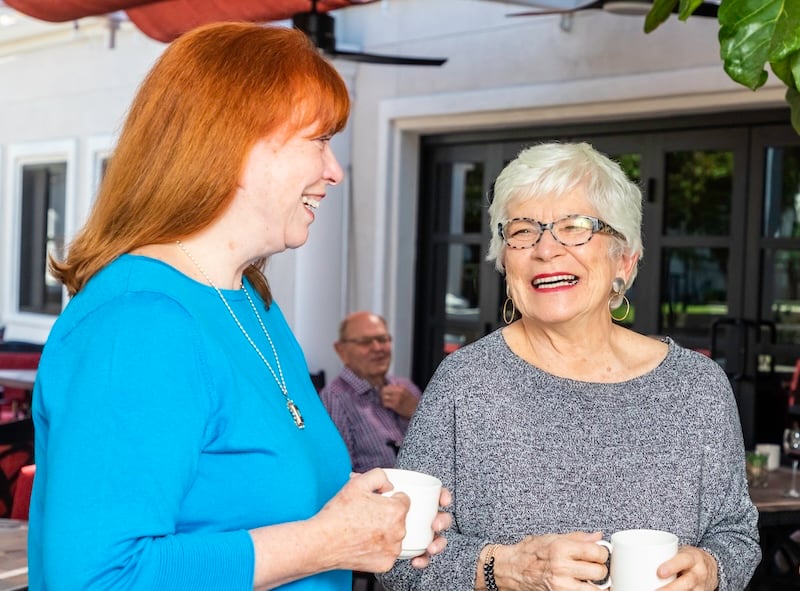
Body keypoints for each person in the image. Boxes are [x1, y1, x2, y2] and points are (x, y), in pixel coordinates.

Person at [28, 23, 451, 591]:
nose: (334, 171)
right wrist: (328, 542)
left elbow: (253, 501)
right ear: (234, 145)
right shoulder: (138, 324)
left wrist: (370, 516)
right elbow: (94, 577)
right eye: (318, 141)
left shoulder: (251, 302)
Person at [379, 142, 760, 591]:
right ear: (505, 260)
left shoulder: (698, 388)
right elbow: (398, 557)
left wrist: (711, 569)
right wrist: (506, 568)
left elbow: (738, 534)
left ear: (624, 259)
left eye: (575, 227)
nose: (545, 249)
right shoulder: (464, 383)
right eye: (522, 231)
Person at [320, 311, 422, 473]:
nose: (378, 348)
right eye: (365, 342)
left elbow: (443, 446)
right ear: (341, 351)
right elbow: (340, 472)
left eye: (382, 339)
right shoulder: (335, 398)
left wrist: (415, 411)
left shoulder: (405, 387)